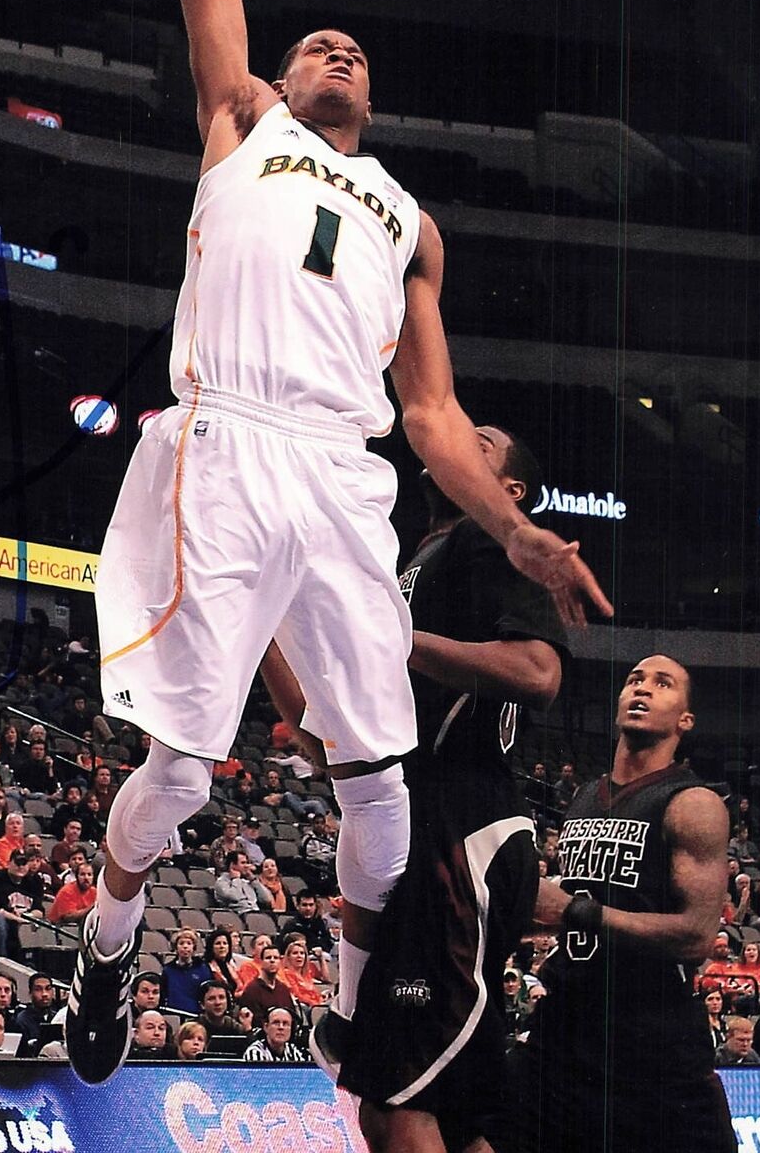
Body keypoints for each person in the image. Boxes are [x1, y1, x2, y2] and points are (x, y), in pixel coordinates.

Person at [64, 0, 610, 1090]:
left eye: (351, 48)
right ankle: (107, 941)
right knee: (183, 776)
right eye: (315, 44)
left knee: (378, 786)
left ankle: (352, 1009)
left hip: (342, 475)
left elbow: (430, 415)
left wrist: (517, 533)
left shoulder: (411, 224)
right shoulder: (240, 122)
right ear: (282, 81)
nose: (335, 48)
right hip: (227, 441)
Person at [267, 428, 567, 1153]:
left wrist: (391, 639)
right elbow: (318, 734)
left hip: (461, 826)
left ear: (511, 492)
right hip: (429, 823)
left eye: (482, 442)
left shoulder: (494, 537)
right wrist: (266, 622)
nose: (461, 438)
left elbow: (538, 673)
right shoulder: (420, 561)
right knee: (451, 1112)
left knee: (392, 1103)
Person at [502, 657, 735, 1153]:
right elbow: (576, 904)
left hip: (649, 1034)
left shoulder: (693, 802)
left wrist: (574, 912)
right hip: (567, 1022)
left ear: (685, 719)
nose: (642, 689)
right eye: (634, 680)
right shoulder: (587, 795)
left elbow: (696, 935)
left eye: (662, 684)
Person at [243, 1007, 309, 1064]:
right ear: (266, 1027)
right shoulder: (255, 1052)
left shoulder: (293, 1051)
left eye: (285, 1023)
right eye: (276, 1023)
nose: (281, 1027)